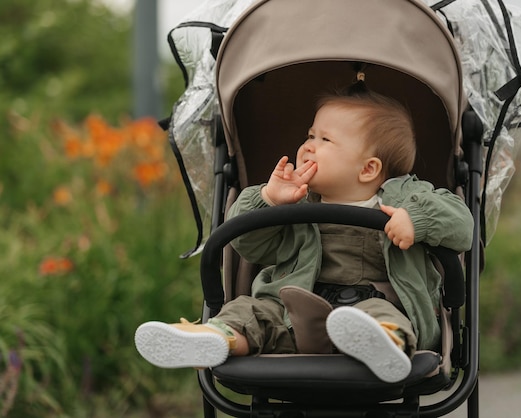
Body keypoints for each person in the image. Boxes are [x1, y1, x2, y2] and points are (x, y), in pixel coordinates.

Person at [135, 82, 474, 383]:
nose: (309, 145)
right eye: (310, 135)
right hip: (291, 317)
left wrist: (416, 220)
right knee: (250, 312)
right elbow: (247, 245)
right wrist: (269, 199)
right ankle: (215, 339)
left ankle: (382, 345)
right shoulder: (295, 207)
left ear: (369, 169)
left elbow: (462, 225)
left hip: (375, 306)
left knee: (381, 317)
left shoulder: (408, 199)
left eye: (325, 139)